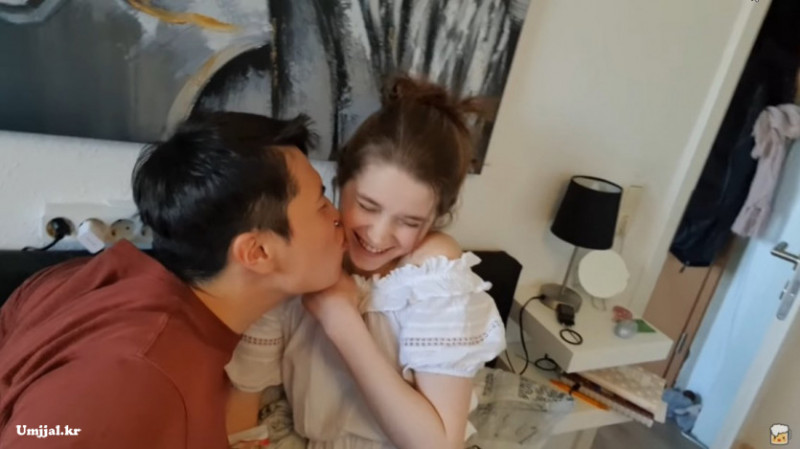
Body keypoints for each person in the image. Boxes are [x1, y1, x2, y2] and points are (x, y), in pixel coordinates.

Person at [0, 112, 345, 448]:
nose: (338, 217)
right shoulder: (136, 378)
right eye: (321, 204)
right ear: (257, 252)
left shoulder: (86, 278)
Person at [226, 76, 507, 449]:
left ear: (436, 218)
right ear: (341, 181)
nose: (378, 235)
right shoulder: (299, 251)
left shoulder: (430, 275)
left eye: (409, 222)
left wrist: (341, 320)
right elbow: (246, 388)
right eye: (367, 206)